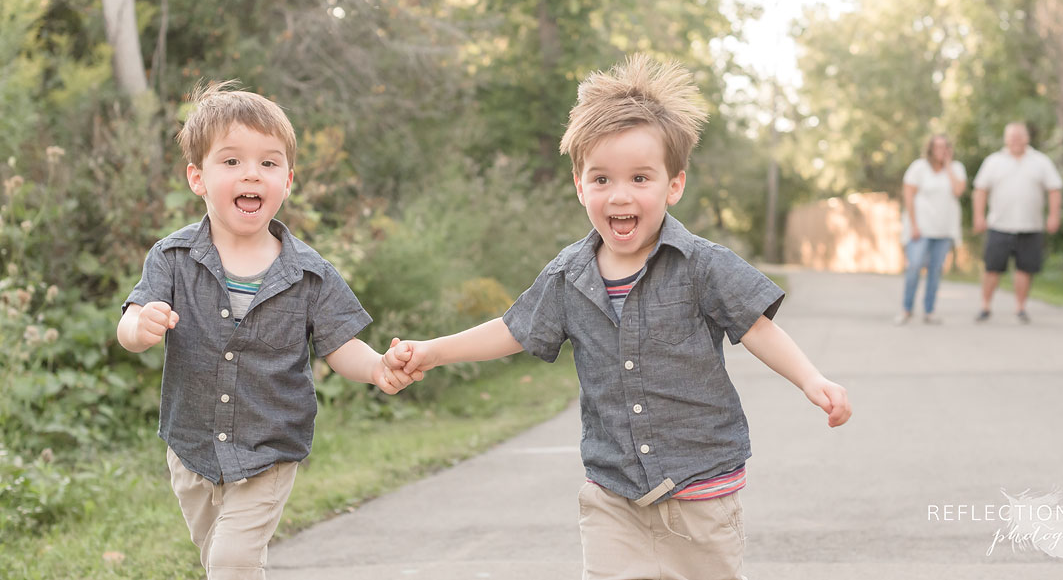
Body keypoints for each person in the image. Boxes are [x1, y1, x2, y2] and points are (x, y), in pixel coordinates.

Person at [384, 55, 851, 580]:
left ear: (673, 186)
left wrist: (811, 379)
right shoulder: (567, 276)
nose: (620, 194)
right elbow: (513, 329)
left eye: (639, 178)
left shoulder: (702, 264)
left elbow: (757, 328)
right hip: (613, 495)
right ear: (581, 186)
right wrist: (431, 352)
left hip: (700, 491)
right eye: (601, 178)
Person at [118, 81, 416, 580]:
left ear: (288, 180)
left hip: (268, 449)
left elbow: (341, 344)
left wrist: (378, 367)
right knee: (218, 556)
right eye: (231, 161)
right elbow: (131, 319)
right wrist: (140, 327)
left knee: (231, 562)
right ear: (198, 177)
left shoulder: (310, 273)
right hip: (190, 446)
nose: (251, 174)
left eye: (268, 163)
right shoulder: (171, 257)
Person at [971, 122, 1063, 324]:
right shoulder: (994, 161)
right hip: (999, 225)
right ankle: (985, 306)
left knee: (1025, 268)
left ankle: (1020, 307)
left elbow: (1054, 189)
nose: (1015, 140)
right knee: (992, 268)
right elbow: (980, 190)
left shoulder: (1040, 161)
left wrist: (1054, 215)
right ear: (1006, 139)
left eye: (1019, 136)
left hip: (1031, 225)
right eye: (1011, 137)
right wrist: (979, 216)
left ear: (1026, 138)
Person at [897, 134, 966, 325]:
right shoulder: (919, 168)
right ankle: (906, 309)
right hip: (921, 228)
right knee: (915, 266)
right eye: (937, 147)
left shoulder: (957, 168)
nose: (941, 151)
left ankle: (929, 311)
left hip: (944, 229)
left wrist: (949, 166)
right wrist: (914, 225)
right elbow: (909, 197)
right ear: (930, 149)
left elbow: (958, 191)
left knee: (935, 270)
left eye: (945, 147)